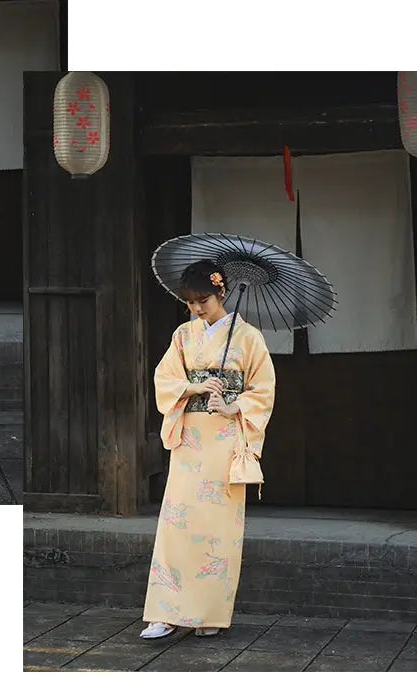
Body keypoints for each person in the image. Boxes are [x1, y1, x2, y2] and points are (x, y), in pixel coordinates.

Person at [140, 259, 275, 638]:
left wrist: (233, 406)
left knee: (218, 530)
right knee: (176, 524)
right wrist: (193, 387)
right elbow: (165, 378)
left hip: (226, 439)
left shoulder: (249, 338)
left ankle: (208, 615)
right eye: (191, 302)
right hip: (190, 439)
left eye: (204, 300)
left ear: (222, 292)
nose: (197, 308)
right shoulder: (184, 335)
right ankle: (164, 613)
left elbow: (264, 390)